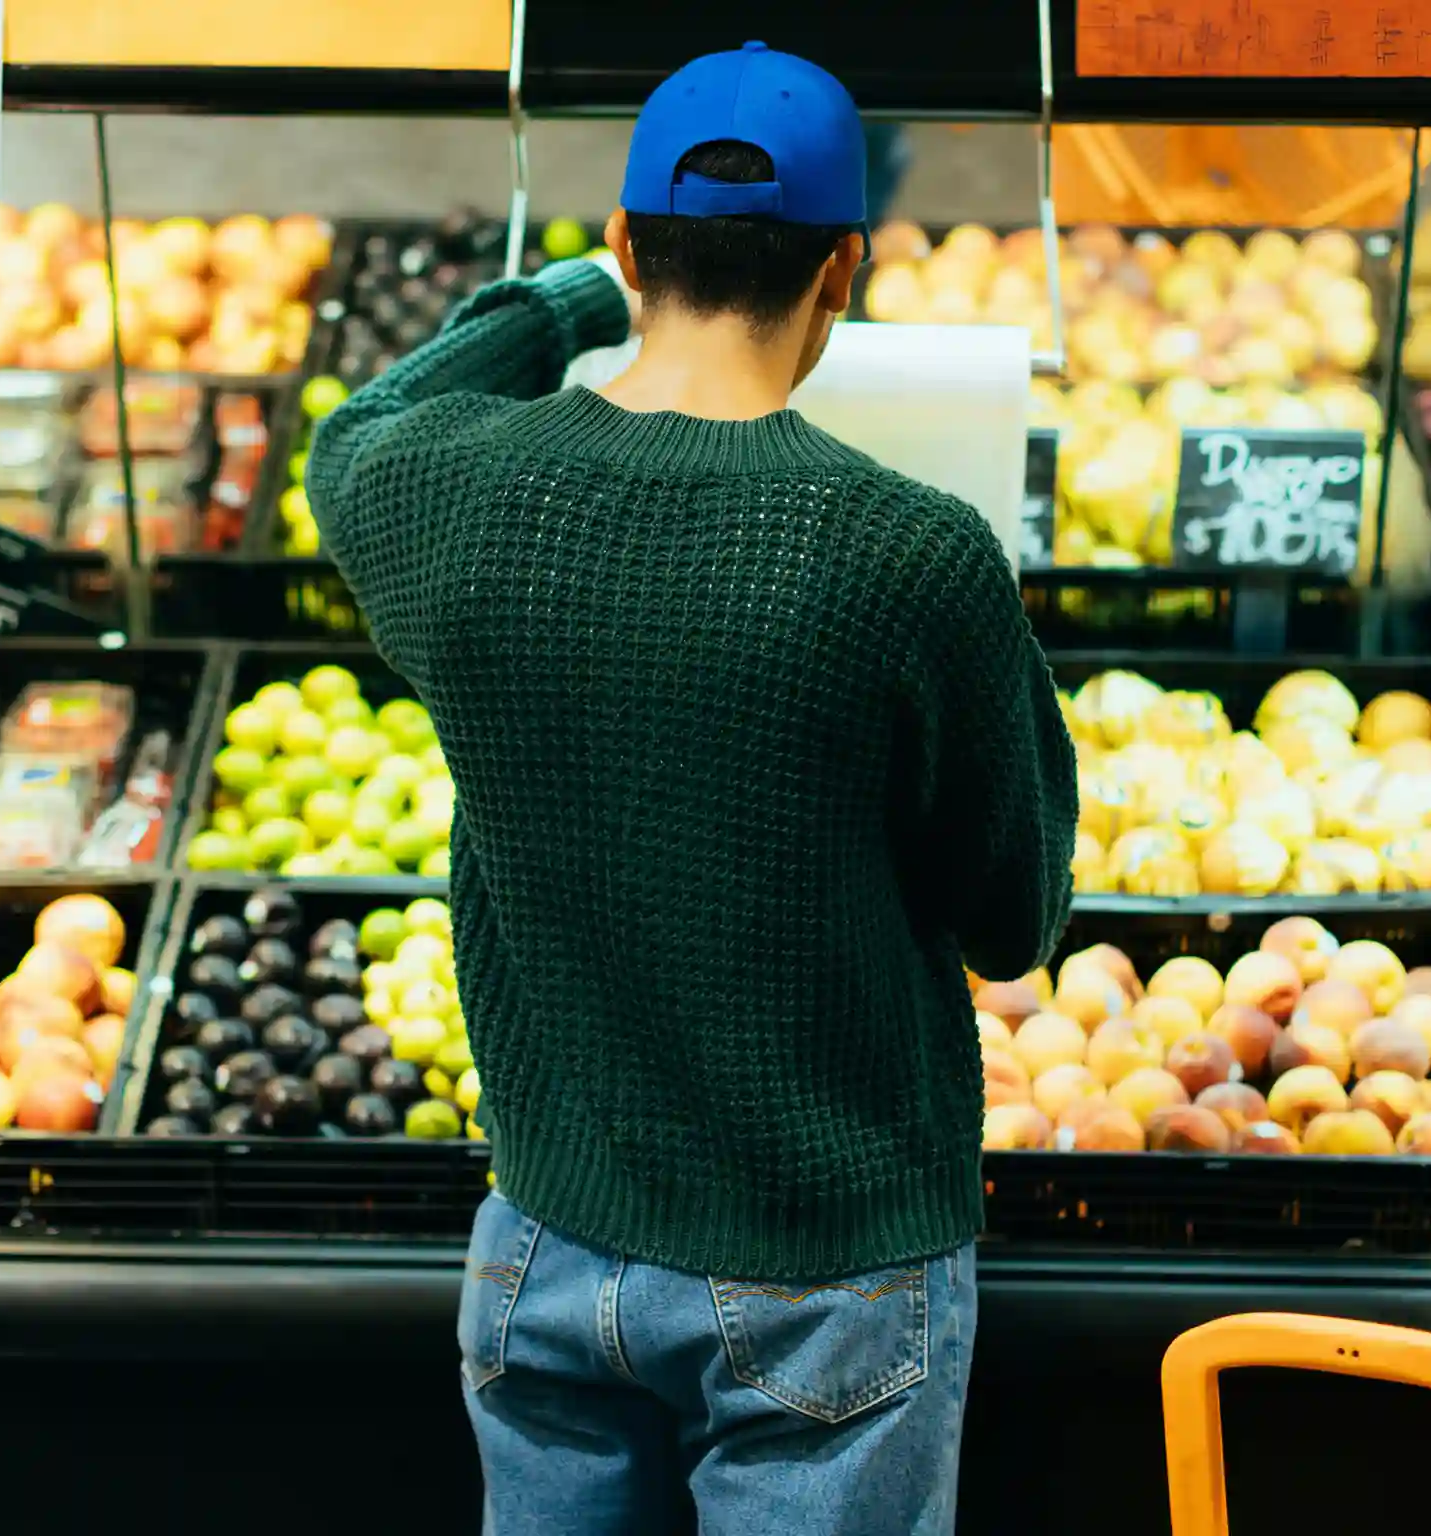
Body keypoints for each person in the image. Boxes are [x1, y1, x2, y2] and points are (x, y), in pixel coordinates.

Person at [304, 41, 1076, 1536]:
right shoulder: (910, 554)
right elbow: (1012, 913)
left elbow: (360, 427)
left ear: (627, 242)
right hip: (827, 1274)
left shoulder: (443, 492)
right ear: (844, 269)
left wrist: (576, 303)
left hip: (541, 1244)